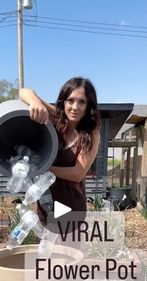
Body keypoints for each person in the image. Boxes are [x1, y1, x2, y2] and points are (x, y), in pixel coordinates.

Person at [19, 77, 101, 223]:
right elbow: (24, 92)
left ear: (89, 105)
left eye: (82, 102)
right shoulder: (56, 118)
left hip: (72, 210)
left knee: (68, 247)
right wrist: (36, 103)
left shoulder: (91, 133)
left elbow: (77, 173)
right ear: (63, 102)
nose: (75, 107)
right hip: (46, 207)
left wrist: (43, 167)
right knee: (46, 245)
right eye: (70, 100)